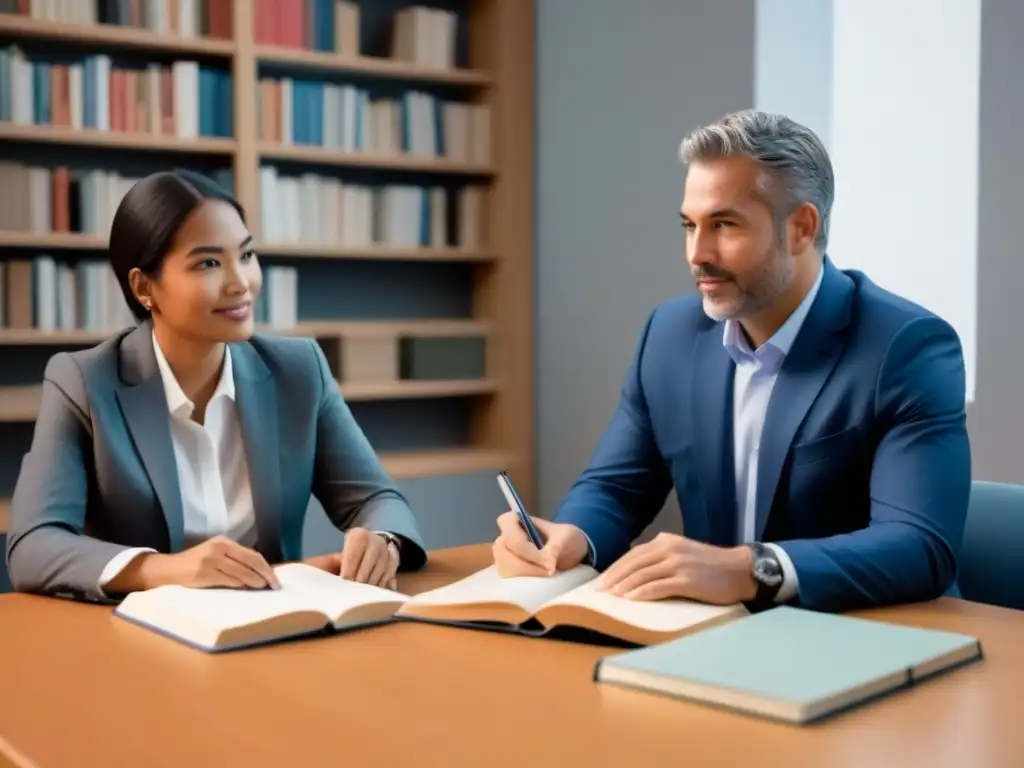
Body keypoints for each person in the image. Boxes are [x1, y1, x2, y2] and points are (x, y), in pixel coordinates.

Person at [492, 109, 971, 613]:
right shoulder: (670, 334)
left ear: (801, 228)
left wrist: (751, 568)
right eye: (689, 225)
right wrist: (574, 538)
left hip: (871, 634)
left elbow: (919, 546)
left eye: (723, 224)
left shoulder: (906, 347)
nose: (697, 254)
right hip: (712, 634)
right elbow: (616, 487)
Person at [5, 170, 427, 602]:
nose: (240, 283)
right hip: (141, 638)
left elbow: (376, 498)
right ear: (144, 286)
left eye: (245, 256)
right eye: (208, 263)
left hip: (272, 624)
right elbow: (33, 545)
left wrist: (382, 540)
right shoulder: (84, 381)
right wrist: (165, 570)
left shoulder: (298, 369)